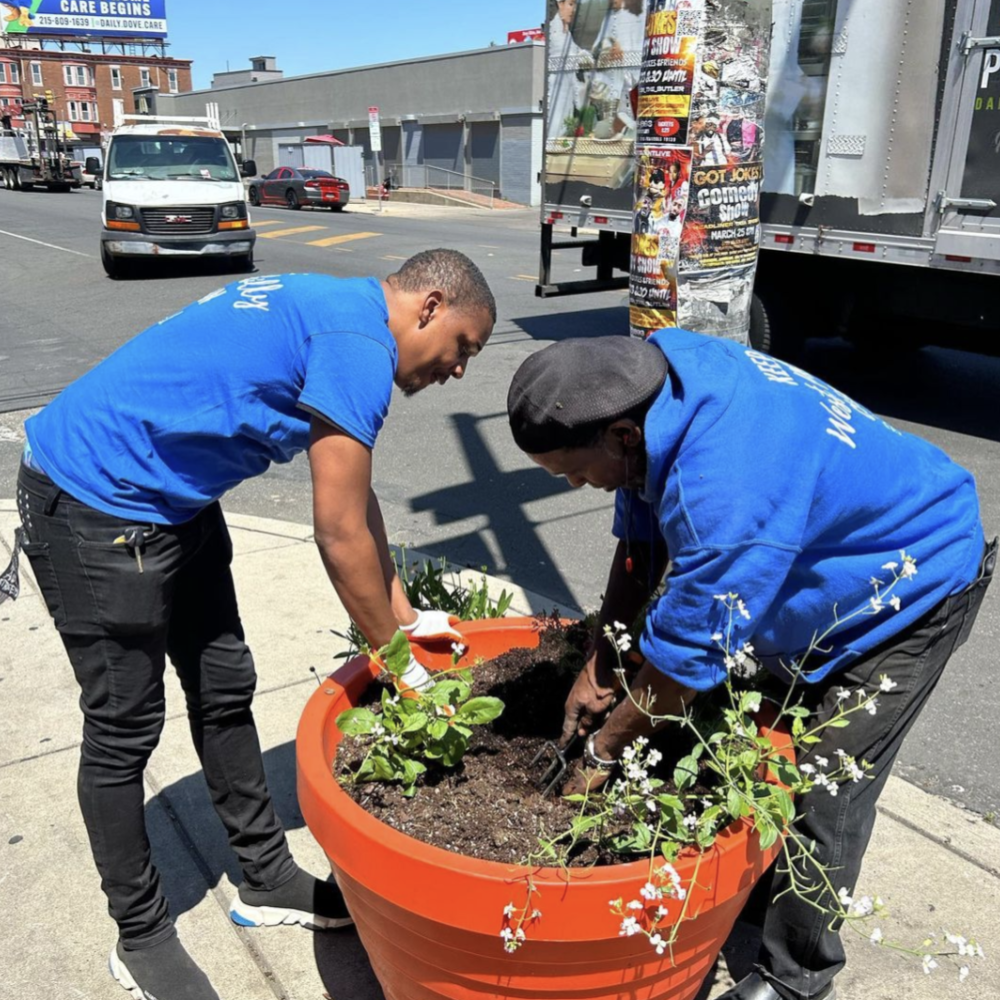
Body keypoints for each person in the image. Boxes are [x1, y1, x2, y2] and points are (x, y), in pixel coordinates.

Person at [13, 250, 496, 1000]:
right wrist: (400, 664)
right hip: (94, 501)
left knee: (225, 684)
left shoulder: (345, 311)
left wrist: (406, 616)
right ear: (431, 305)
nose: (459, 370)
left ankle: (265, 878)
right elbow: (336, 535)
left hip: (178, 498)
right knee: (123, 727)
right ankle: (141, 936)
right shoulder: (361, 343)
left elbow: (357, 503)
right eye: (464, 347)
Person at [506, 333, 994, 1000]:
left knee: (829, 782)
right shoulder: (657, 384)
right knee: (748, 730)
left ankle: (796, 976)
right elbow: (640, 540)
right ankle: (759, 868)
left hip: (912, 583)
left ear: (620, 435)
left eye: (570, 470)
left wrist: (601, 751)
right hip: (824, 558)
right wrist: (605, 659)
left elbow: (687, 659)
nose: (570, 484)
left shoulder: (725, 490)